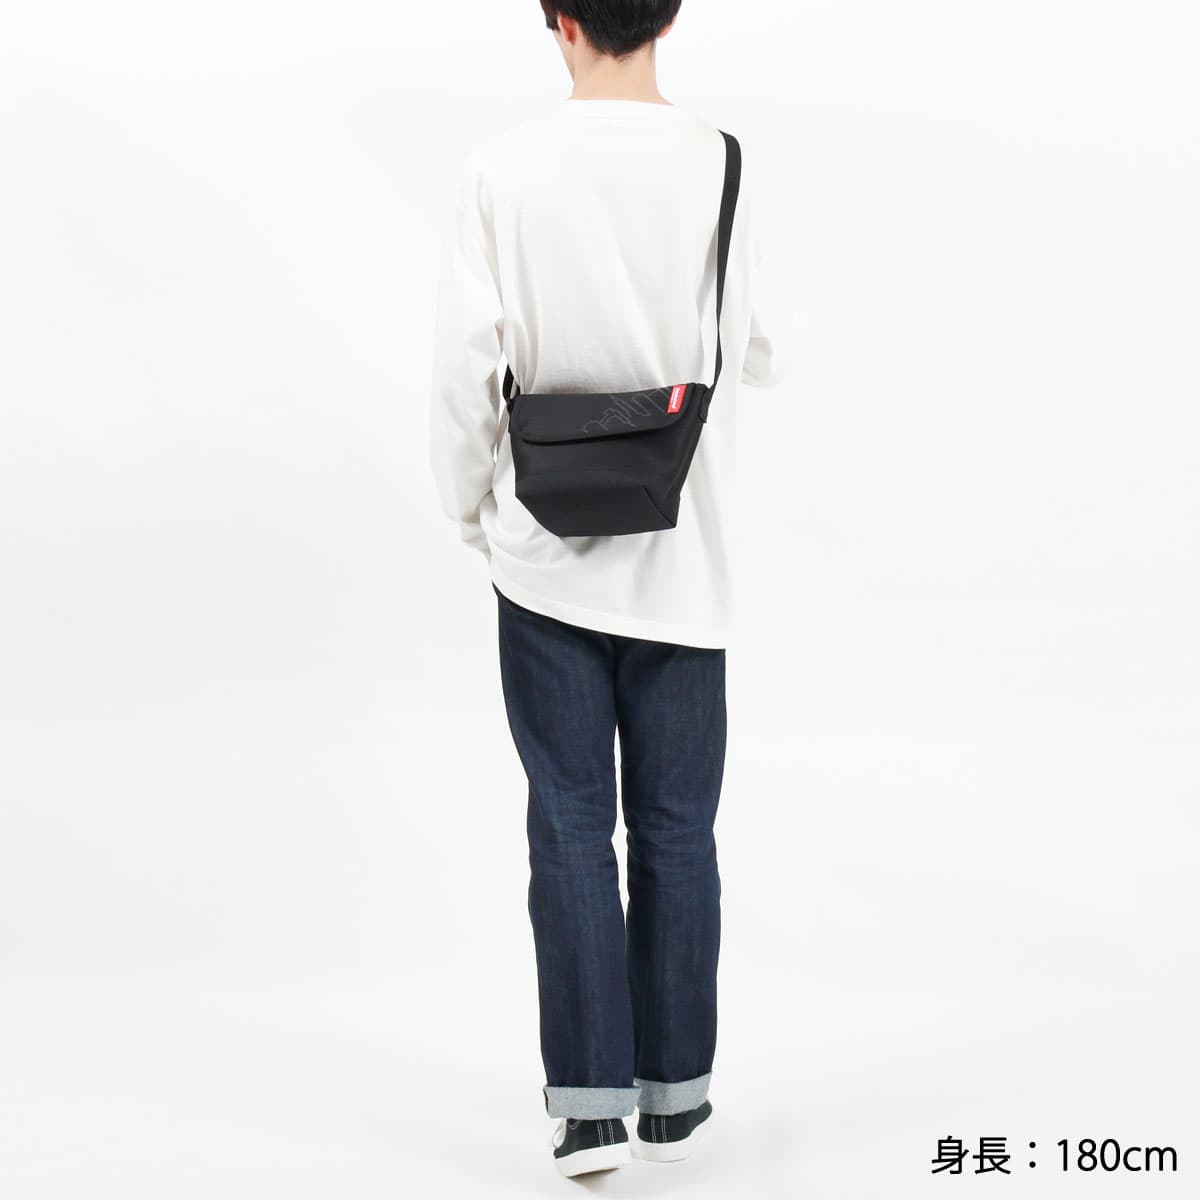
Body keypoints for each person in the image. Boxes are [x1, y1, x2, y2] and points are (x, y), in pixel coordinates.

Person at [429, 0, 800, 1178]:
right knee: (679, 833)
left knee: (570, 827)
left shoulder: (501, 169)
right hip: (687, 561)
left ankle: (590, 1116)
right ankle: (675, 1105)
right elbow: (768, 347)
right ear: (669, 17)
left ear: (560, 20)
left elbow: (466, 369)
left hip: (543, 557)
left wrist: (471, 510)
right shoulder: (726, 164)